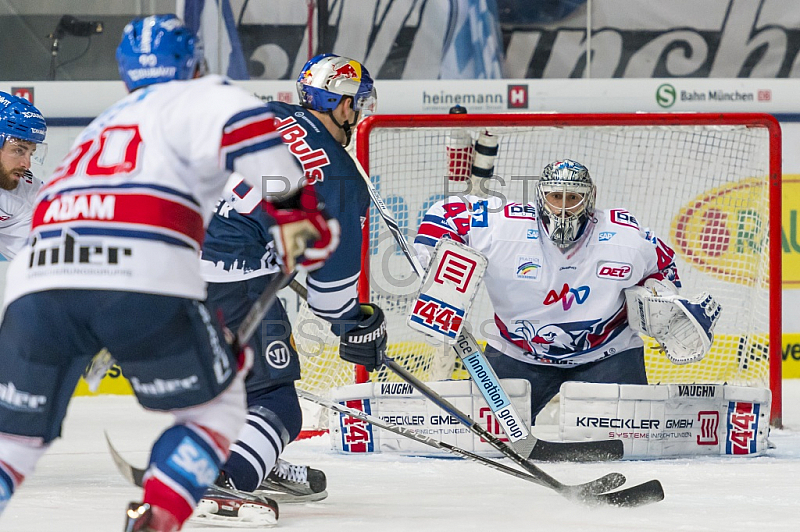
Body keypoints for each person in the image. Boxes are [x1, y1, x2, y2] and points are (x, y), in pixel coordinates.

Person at [0, 14, 339, 532]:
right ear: (194, 64)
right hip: (140, 275)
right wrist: (302, 221)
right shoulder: (210, 97)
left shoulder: (103, 123)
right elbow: (273, 166)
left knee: (14, 443)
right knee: (221, 411)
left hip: (39, 287)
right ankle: (157, 515)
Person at [196, 53, 386, 524]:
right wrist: (357, 327)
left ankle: (256, 457)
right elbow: (329, 297)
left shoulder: (261, 113)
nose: (357, 114)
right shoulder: (340, 176)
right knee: (277, 400)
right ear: (342, 106)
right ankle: (228, 476)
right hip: (224, 283)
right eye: (355, 104)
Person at [413, 159, 680, 422]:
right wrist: (437, 274)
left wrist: (664, 307)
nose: (563, 209)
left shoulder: (625, 237)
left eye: (573, 197)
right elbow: (447, 212)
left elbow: (665, 268)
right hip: (516, 353)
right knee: (483, 437)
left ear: (590, 198)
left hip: (608, 354)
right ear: (541, 198)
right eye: (555, 197)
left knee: (627, 440)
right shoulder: (506, 226)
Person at [0, 92, 47, 260]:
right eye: (18, 150)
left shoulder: (26, 191)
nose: (27, 164)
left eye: (31, 153)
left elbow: (36, 261)